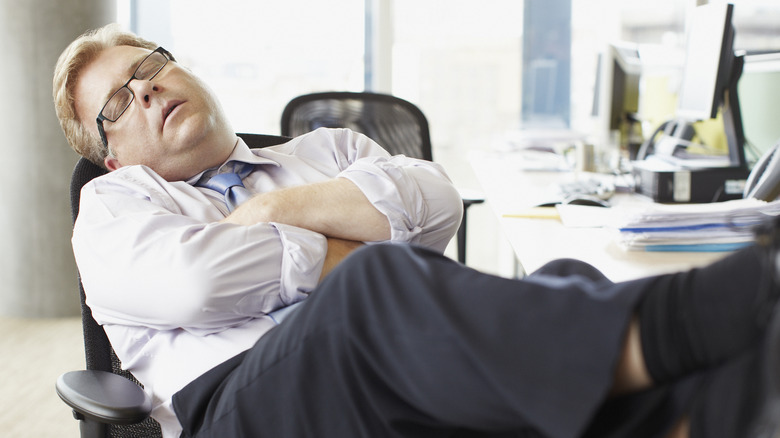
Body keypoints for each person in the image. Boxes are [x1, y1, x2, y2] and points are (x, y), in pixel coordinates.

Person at [53, 24, 780, 438]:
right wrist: (343, 245)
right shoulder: (116, 204)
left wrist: (272, 212)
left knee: (568, 286)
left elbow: (436, 201)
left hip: (386, 374)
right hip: (238, 407)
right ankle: (718, 308)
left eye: (148, 68)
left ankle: (721, 408)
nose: (144, 88)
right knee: (370, 289)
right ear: (111, 153)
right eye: (117, 103)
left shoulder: (321, 150)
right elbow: (196, 281)